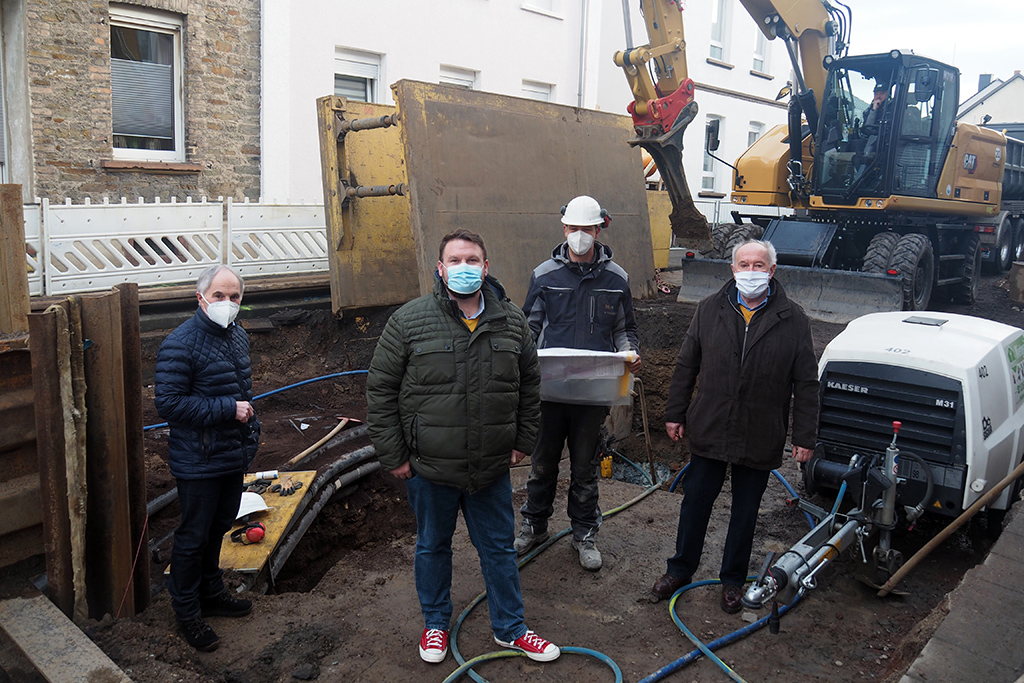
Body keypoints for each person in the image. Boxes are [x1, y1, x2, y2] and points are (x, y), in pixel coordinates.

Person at [366, 229, 560, 665]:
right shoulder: (410, 320)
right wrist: (392, 453)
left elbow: (530, 385)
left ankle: (511, 628)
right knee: (432, 546)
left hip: (489, 467)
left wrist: (522, 440)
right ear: (440, 268)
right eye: (454, 260)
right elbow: (380, 391)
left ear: (486, 267)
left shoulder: (511, 321)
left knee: (499, 548)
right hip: (429, 467)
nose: (464, 267)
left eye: (472, 259)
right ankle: (435, 624)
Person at [650, 239, 818, 614]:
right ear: (733, 269)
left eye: (759, 265)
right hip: (711, 424)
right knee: (696, 503)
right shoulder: (709, 310)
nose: (751, 272)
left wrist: (804, 437)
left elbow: (806, 384)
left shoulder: (794, 319)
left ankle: (732, 581)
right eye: (744, 264)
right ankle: (680, 570)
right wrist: (674, 413)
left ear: (772, 271)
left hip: (760, 430)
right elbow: (686, 365)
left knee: (745, 511)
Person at [514, 195, 641, 571]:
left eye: (587, 229)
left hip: (593, 390)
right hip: (550, 389)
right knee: (542, 465)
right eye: (574, 229)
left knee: (584, 467)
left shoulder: (616, 279)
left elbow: (624, 328)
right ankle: (534, 526)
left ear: (599, 228)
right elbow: (529, 328)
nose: (580, 236)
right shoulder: (544, 276)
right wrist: (520, 363)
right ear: (564, 228)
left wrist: (630, 354)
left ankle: (584, 533)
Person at [154, 264, 260, 652]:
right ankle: (186, 611)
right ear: (200, 298)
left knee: (217, 527)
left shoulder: (236, 335)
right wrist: (227, 409)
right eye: (219, 296)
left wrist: (248, 429)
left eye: (235, 297)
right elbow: (169, 403)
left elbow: (241, 388)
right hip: (198, 459)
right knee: (193, 535)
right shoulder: (180, 343)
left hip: (230, 454)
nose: (227, 303)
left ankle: (212, 593)